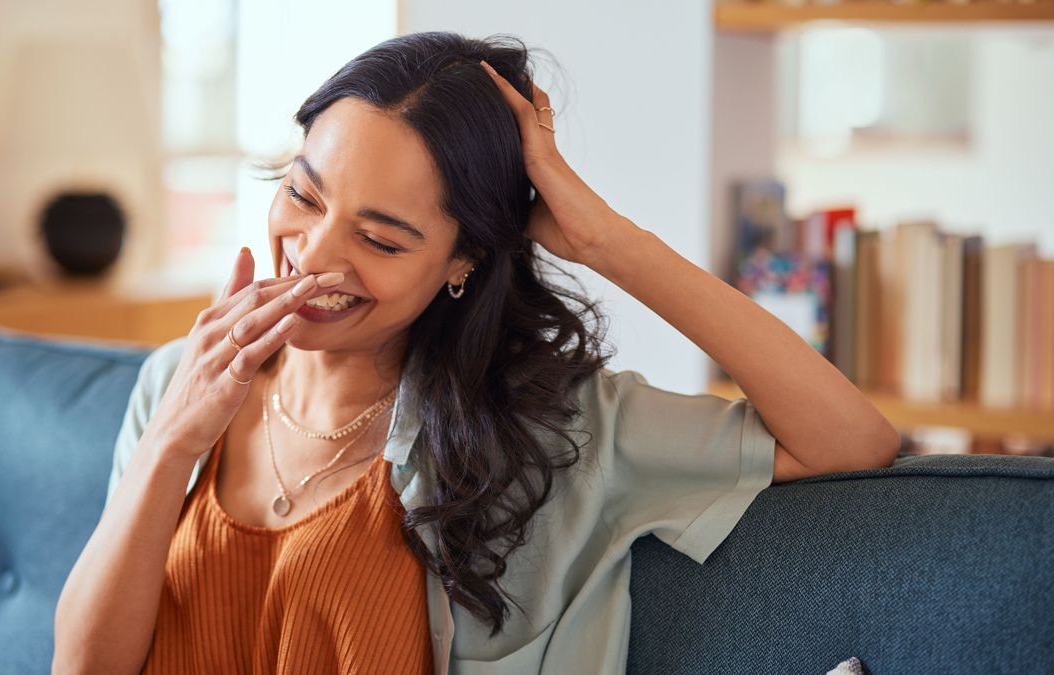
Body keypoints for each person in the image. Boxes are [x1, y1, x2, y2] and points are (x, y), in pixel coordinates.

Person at [53, 31, 899, 675]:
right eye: (303, 194)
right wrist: (172, 441)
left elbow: (849, 442)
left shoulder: (549, 427)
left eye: (380, 239)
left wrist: (607, 241)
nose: (312, 256)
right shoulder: (179, 380)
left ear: (462, 261)